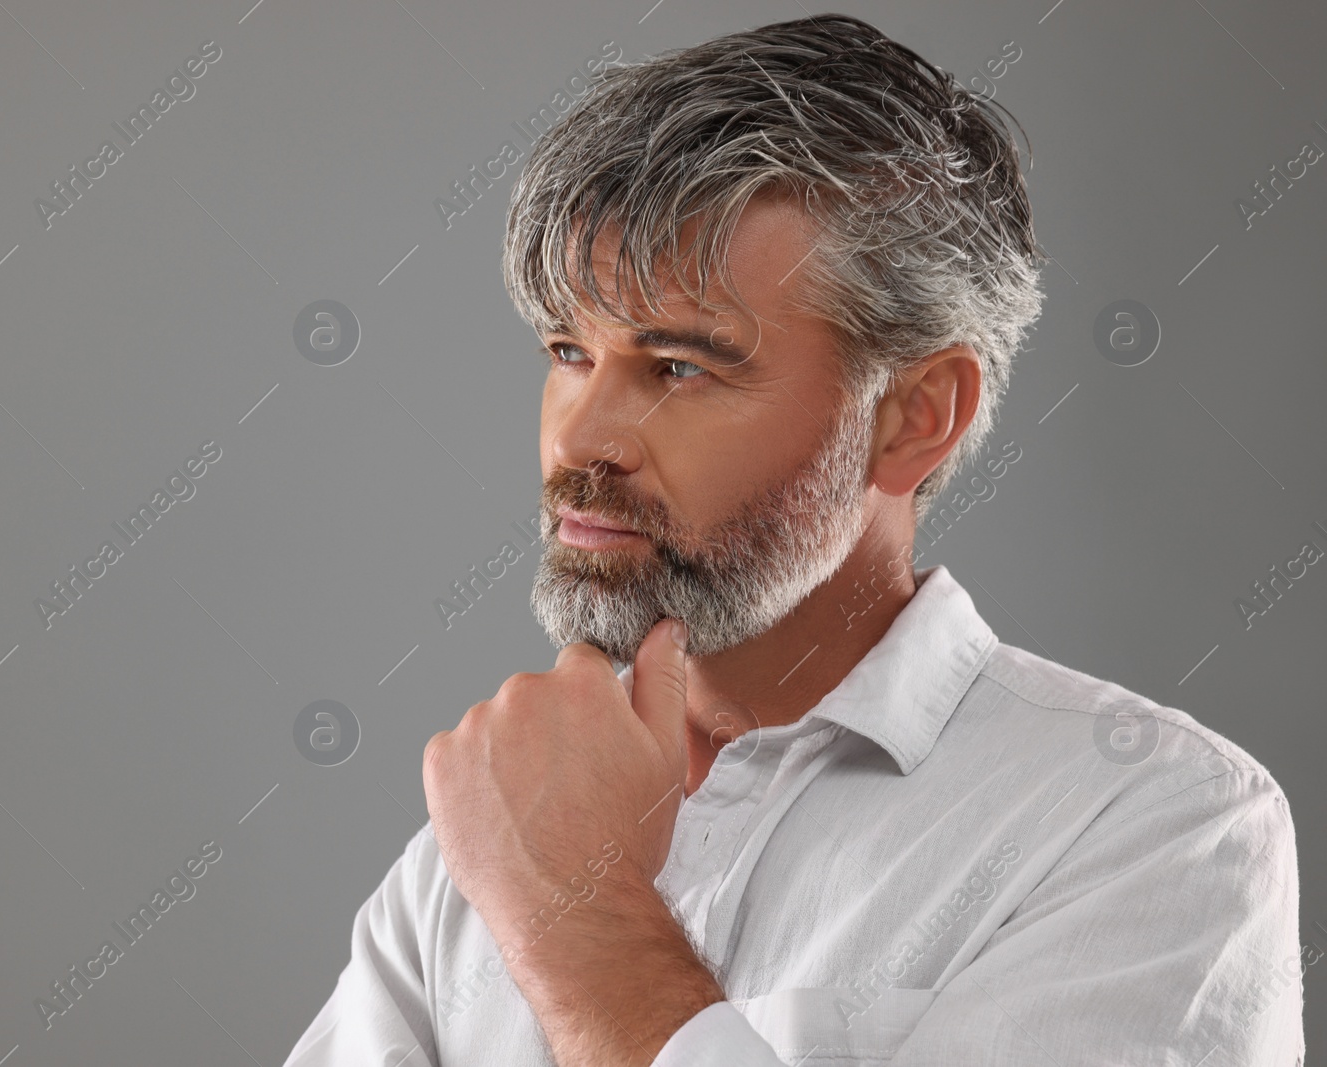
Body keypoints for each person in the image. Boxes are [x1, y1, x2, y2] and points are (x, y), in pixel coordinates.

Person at [285, 14, 1303, 1065]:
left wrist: (579, 921)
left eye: (679, 365)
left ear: (915, 414)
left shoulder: (1152, 824)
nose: (580, 437)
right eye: (566, 350)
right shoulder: (492, 822)